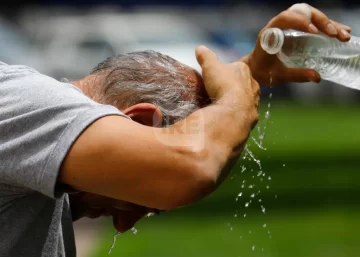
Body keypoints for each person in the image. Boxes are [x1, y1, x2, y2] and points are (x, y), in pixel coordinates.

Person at [0, 3, 351, 257]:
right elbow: (189, 166)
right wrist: (235, 99)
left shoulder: (31, 128)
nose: (124, 224)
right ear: (139, 122)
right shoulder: (20, 100)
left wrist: (248, 71)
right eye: (145, 202)